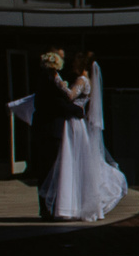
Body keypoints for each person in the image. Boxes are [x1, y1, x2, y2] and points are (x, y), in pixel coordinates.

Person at [47, 48, 128, 222]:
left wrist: (58, 80)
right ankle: (75, 204)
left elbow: (70, 96)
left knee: (72, 161)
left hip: (73, 124)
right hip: (78, 123)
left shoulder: (82, 80)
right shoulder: (89, 81)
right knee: (76, 162)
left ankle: (69, 206)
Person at [17, 49, 82, 217]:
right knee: (50, 170)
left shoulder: (43, 80)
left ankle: (47, 207)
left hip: (44, 129)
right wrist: (77, 110)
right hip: (50, 131)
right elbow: (57, 104)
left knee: (46, 170)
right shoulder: (49, 81)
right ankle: (49, 207)